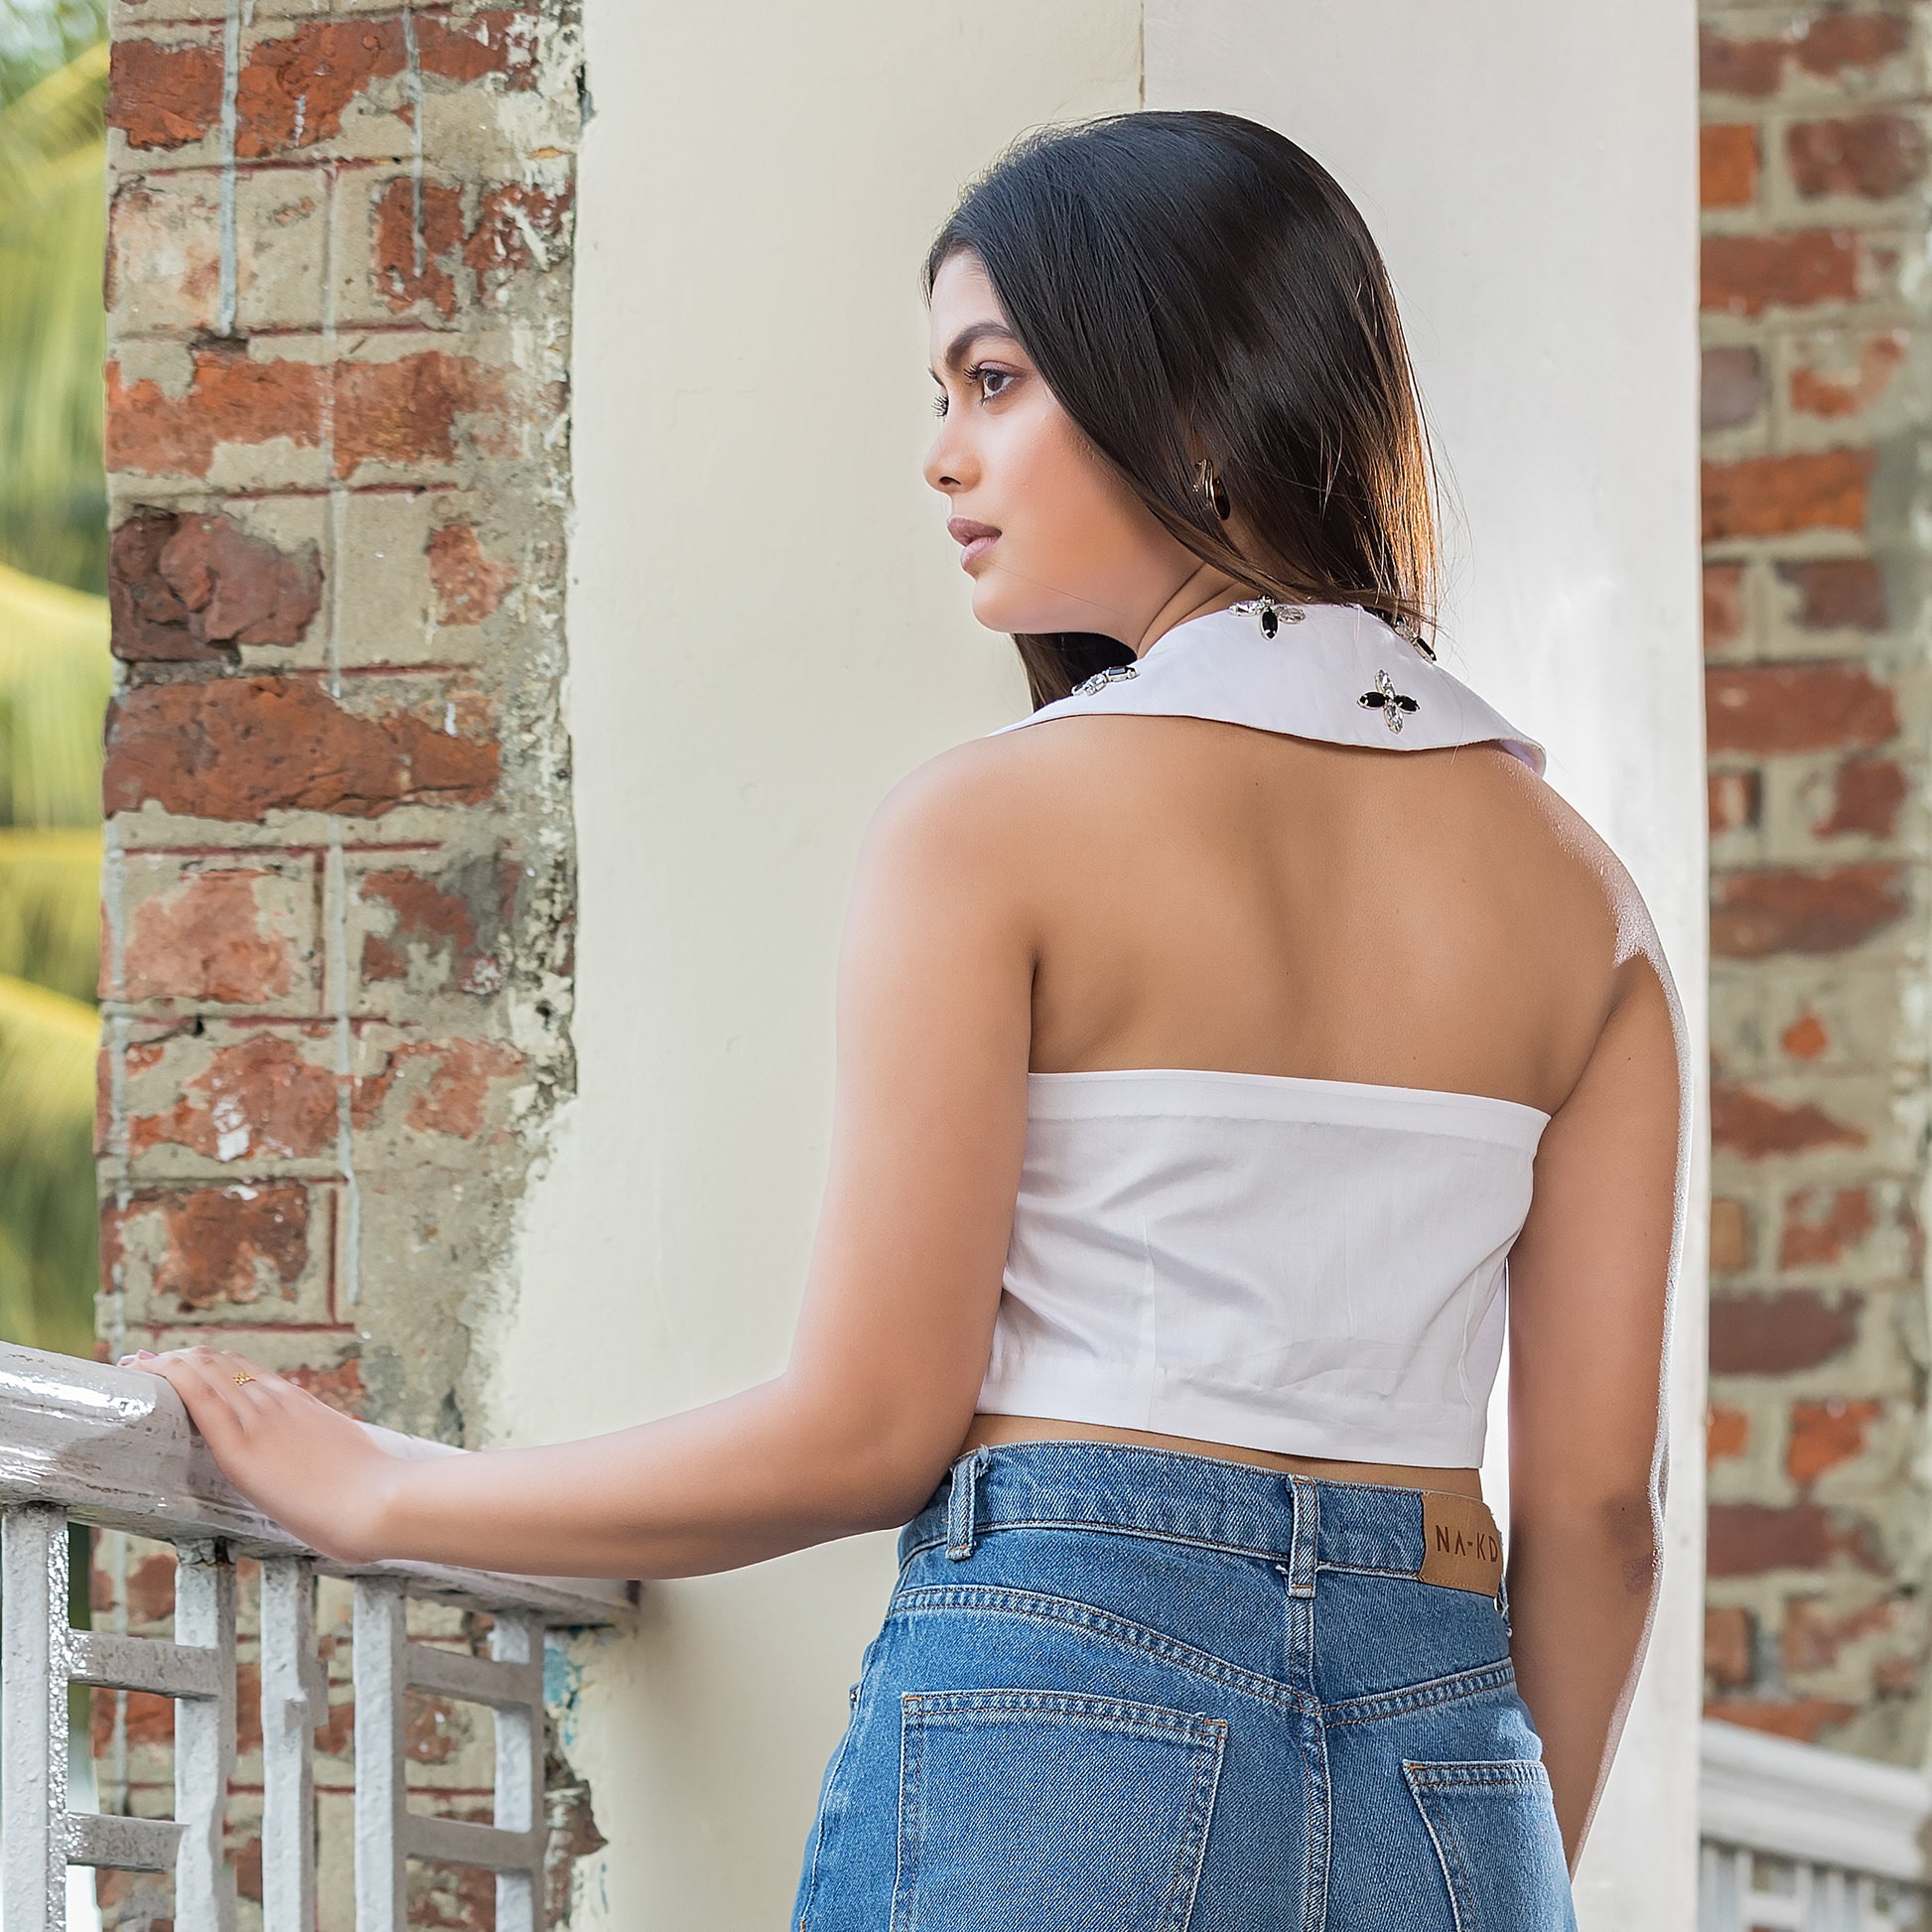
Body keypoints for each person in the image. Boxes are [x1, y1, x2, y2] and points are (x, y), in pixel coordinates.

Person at [130, 109, 1685, 1929]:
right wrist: (1481, 1856)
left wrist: (397, 1493)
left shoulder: (991, 826)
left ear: (1192, 397)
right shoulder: (1585, 903)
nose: (942, 453)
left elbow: (867, 1424)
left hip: (1067, 1724)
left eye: (993, 380)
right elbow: (1598, 1518)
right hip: (1450, 1759)